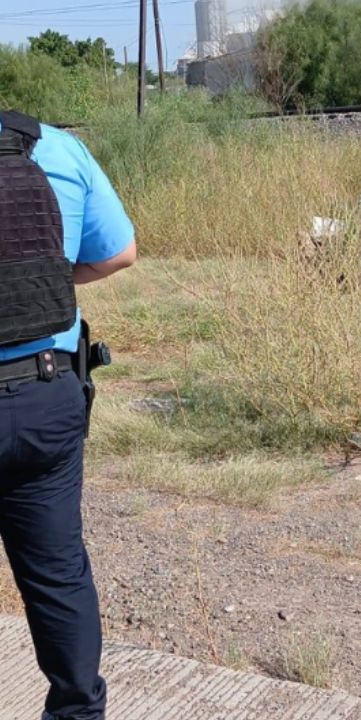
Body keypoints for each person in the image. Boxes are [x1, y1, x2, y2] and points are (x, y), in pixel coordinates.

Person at [0, 110, 136, 720]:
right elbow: (120, 253)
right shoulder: (57, 149)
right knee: (57, 576)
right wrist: (53, 277)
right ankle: (79, 711)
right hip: (44, 398)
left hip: (43, 401)